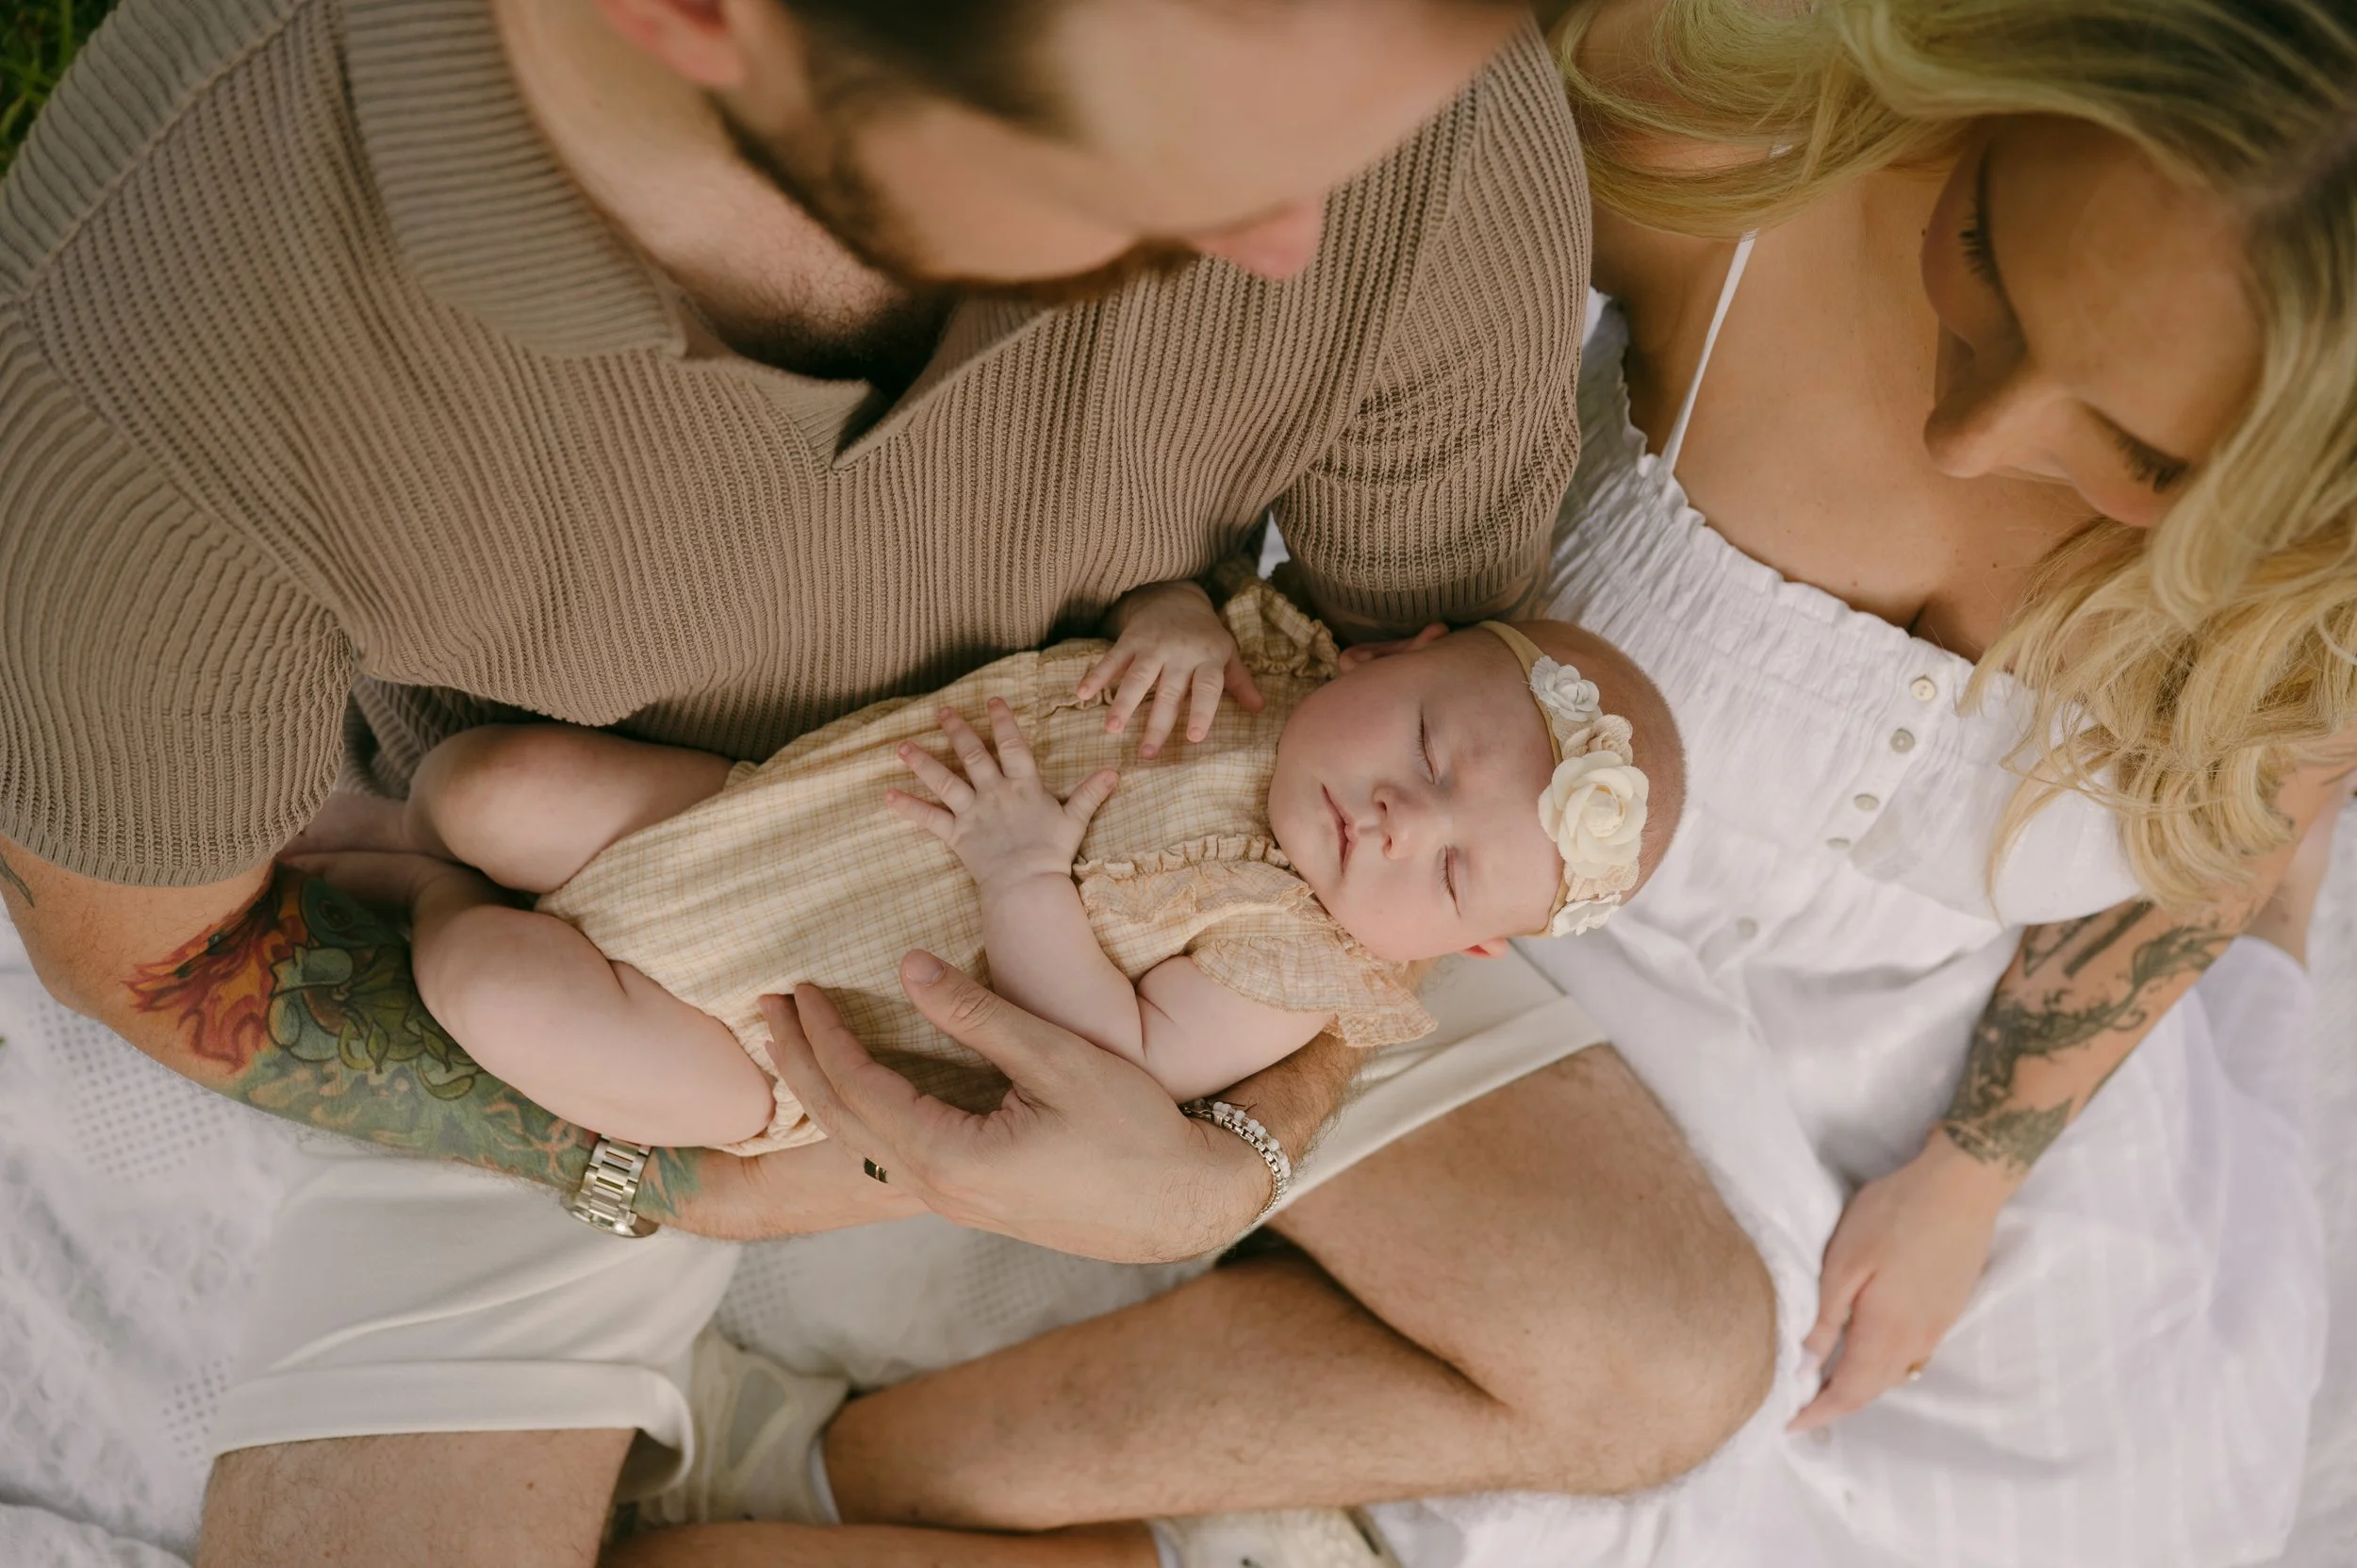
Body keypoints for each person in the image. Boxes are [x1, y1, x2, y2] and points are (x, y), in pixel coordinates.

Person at [0, 1, 1777, 1564]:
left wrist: (1217, 1153)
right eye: (1165, 162)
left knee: (1662, 1351)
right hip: (634, 911)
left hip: (1166, 851)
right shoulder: (147, 347)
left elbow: (1399, 716)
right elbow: (164, 961)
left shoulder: (1382, 107)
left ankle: (839, 1477)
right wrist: (713, 1176)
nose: (1298, 230)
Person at [600, 0, 2357, 1563]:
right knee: (1637, 1379)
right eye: (1982, 258)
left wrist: (1974, 1167)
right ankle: (827, 1481)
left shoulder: (2312, 599)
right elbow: (1268, 241)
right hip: (1434, 924)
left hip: (1909, 1097)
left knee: (2104, 1492)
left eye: (2140, 455)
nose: (1984, 436)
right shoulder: (1732, 122)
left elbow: (2220, 837)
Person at [290, 570, 1676, 1151]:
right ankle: (424, 837)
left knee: (484, 974)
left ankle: (420, 900)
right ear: (1393, 652)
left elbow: (1105, 1054)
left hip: (768, 1030)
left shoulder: (1294, 962)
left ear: (1463, 947)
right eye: (1429, 748)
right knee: (484, 781)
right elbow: (1152, 608)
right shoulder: (1258, 662)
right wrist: (1177, 610)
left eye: (1447, 876)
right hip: (761, 818)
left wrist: (1025, 879)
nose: (1399, 816)